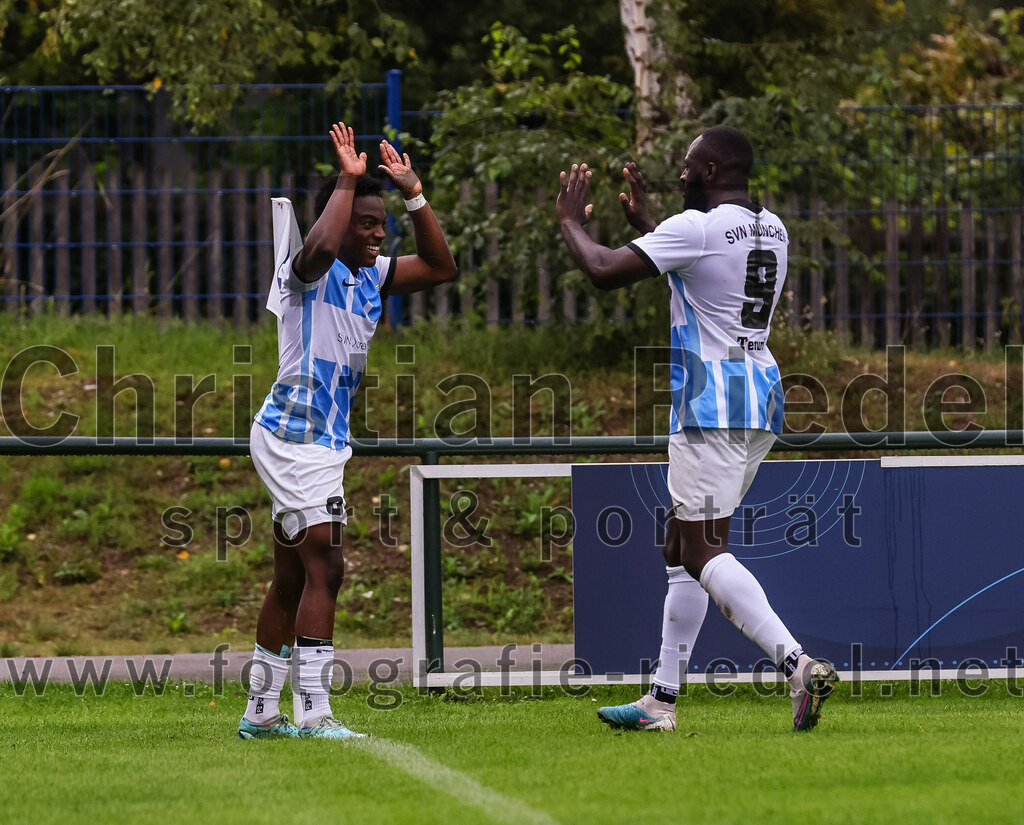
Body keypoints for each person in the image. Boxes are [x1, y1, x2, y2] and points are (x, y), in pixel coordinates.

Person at [555, 125, 837, 733]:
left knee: (705, 547)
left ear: (709, 171)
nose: (681, 172)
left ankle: (797, 665)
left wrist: (571, 222)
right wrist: (654, 220)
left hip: (709, 404)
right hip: (759, 398)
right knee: (680, 548)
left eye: (688, 166)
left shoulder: (697, 229)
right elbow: (709, 269)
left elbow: (605, 270)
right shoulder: (774, 227)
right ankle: (661, 700)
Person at [238, 123, 457, 740]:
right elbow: (317, 248)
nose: (377, 233)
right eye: (366, 223)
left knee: (291, 577)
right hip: (295, 436)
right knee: (328, 567)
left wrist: (412, 192)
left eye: (380, 224)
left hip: (318, 440)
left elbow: (443, 266)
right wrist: (347, 178)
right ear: (339, 223)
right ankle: (314, 712)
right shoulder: (304, 271)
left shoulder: (373, 275)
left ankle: (261, 712)